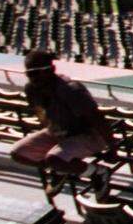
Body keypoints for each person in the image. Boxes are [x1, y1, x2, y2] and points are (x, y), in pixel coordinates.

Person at [9, 50, 114, 198]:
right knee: (18, 154)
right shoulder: (31, 89)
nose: (34, 78)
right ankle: (62, 169)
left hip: (88, 135)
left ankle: (98, 172)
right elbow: (42, 115)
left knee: (54, 159)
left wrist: (112, 147)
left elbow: (97, 120)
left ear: (51, 70)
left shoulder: (71, 89)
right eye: (30, 74)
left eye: (37, 73)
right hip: (58, 131)